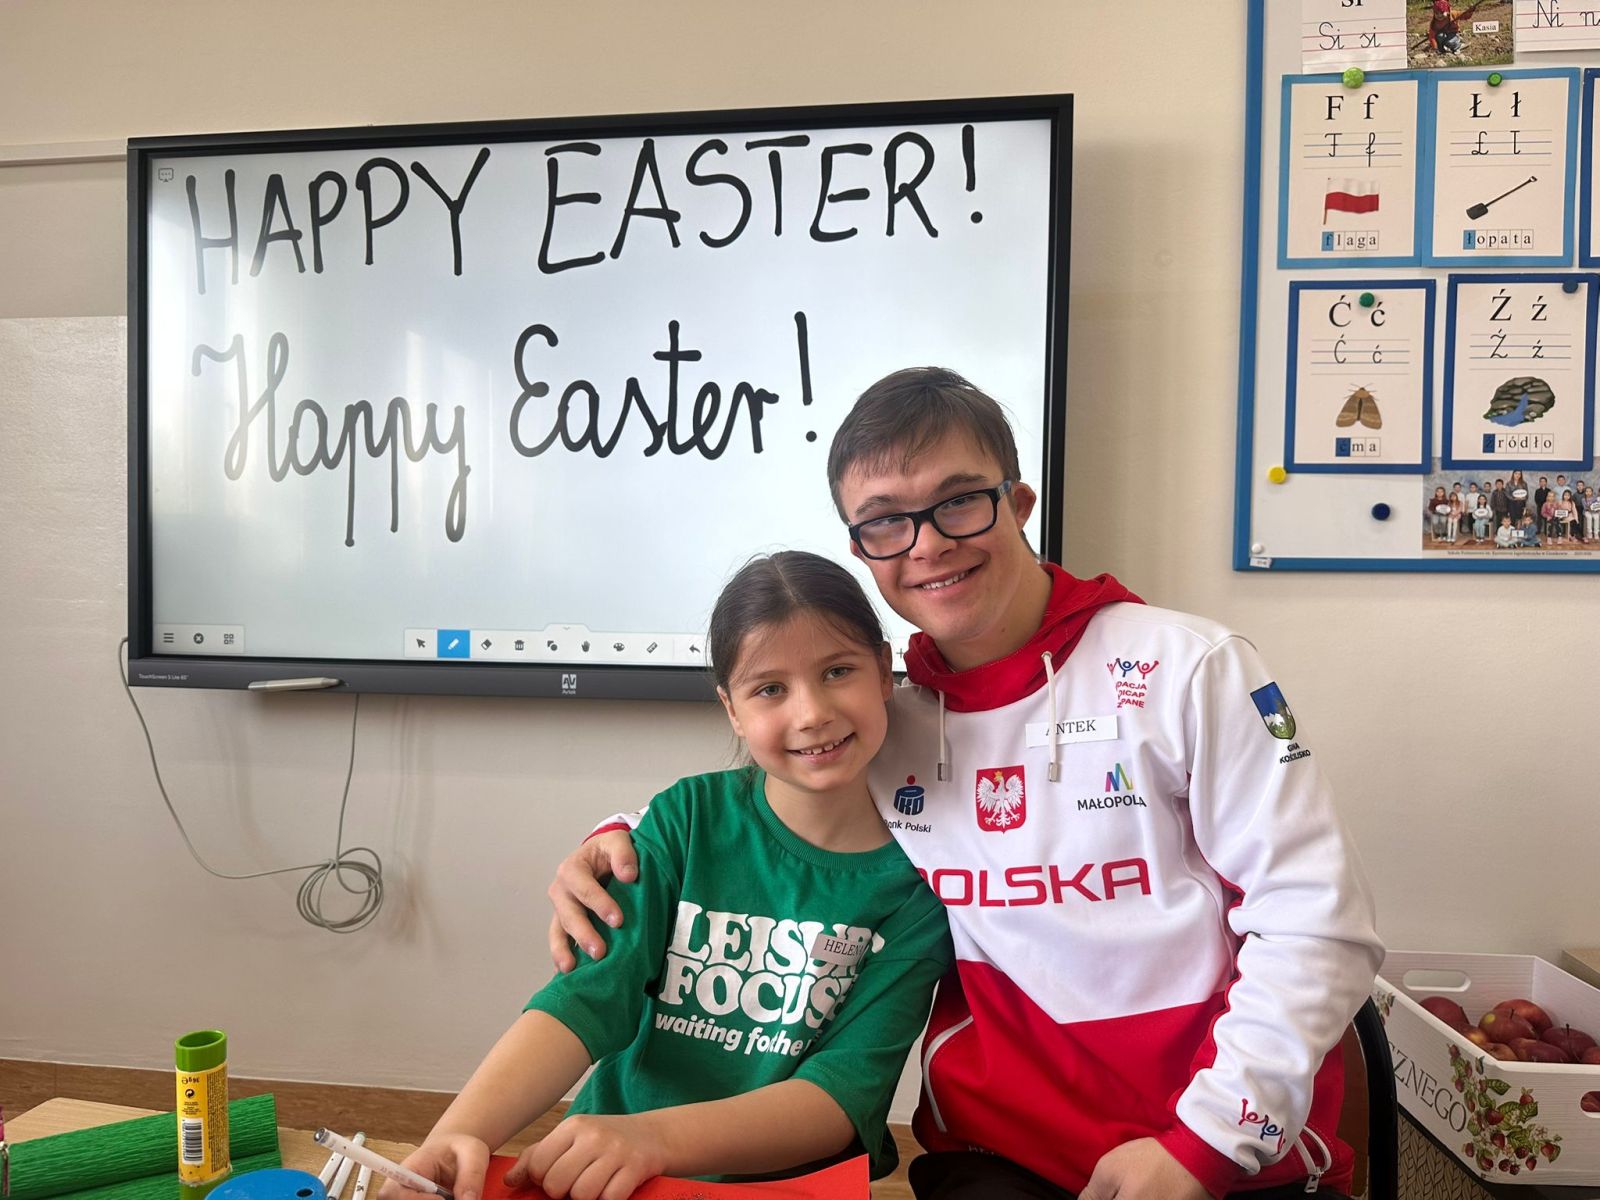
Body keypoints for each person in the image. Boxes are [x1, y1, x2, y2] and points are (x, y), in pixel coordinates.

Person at [547, 368, 1383, 1200]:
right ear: (862, 550)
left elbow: (1318, 922)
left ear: (1017, 504)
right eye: (886, 521)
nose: (927, 544)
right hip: (995, 1160)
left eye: (957, 502)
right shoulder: (885, 719)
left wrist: (1202, 1147)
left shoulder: (1188, 669)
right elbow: (763, 808)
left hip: (1219, 1152)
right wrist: (615, 837)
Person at [387, 552, 952, 1200]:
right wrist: (458, 1134)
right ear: (732, 709)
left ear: (883, 670)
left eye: (837, 671)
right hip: (612, 1175)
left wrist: (655, 1139)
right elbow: (586, 998)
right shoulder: (688, 818)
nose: (811, 713)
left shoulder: (922, 883)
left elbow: (841, 1096)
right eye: (770, 689)